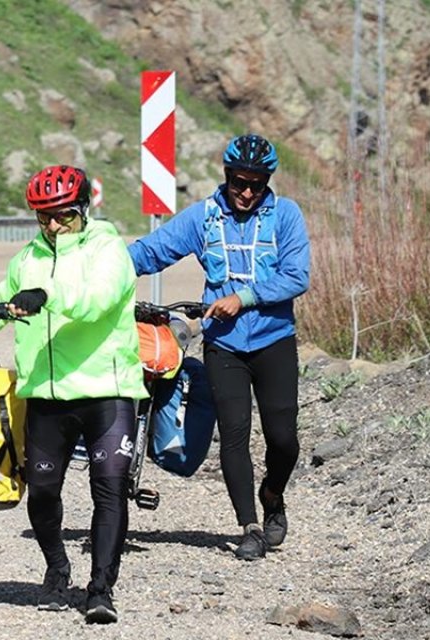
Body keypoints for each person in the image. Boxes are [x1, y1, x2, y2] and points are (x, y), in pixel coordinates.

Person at [0, 165, 146, 624]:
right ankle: (57, 566)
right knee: (40, 493)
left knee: (110, 489)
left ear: (83, 210)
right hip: (46, 396)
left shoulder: (109, 249)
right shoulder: (27, 259)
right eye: (43, 218)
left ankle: (100, 589)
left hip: (107, 392)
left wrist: (46, 294)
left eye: (63, 217)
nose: (54, 227)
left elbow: (96, 300)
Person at [126, 134, 311, 560]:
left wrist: (242, 298)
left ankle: (272, 494)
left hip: (274, 340)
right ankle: (248, 526)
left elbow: (297, 276)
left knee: (284, 439)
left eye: (256, 184)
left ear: (267, 182)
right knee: (233, 434)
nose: (247, 193)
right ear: (226, 177)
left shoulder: (285, 215)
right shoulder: (204, 218)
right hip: (223, 346)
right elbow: (152, 251)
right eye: (239, 183)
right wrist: (102, 264)